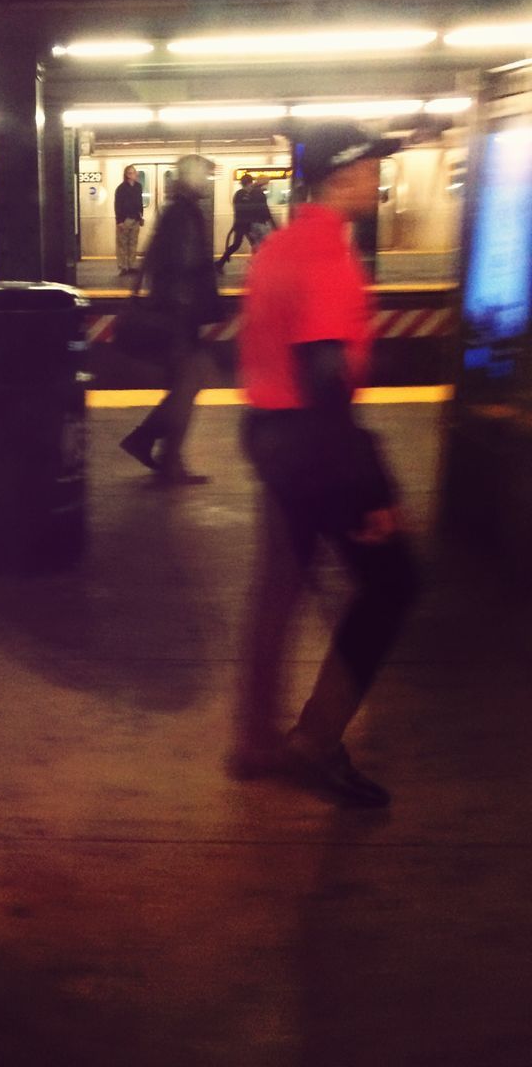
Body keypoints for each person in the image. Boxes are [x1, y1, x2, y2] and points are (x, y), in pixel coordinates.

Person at [229, 122, 419, 807]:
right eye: (371, 168)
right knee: (394, 583)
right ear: (341, 176)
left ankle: (252, 743)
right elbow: (324, 378)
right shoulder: (328, 258)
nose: (377, 178)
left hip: (270, 436)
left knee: (279, 587)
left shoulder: (277, 245)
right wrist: (372, 492)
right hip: (315, 444)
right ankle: (315, 742)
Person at [119, 154, 220, 485]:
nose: (208, 183)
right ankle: (159, 452)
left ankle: (156, 448)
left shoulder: (175, 212)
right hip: (179, 317)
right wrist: (191, 315)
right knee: (187, 385)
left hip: (176, 313)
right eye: (204, 177)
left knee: (185, 386)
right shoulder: (185, 214)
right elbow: (186, 265)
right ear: (192, 179)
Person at [114, 164, 144, 275]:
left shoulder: (138, 187)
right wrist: (119, 221)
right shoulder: (121, 189)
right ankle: (123, 266)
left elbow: (140, 202)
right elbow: (117, 205)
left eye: (135, 172)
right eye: (133, 173)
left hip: (136, 218)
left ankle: (131, 265)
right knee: (122, 244)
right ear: (127, 175)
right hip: (125, 219)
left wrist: (141, 216)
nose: (135, 174)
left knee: (133, 243)